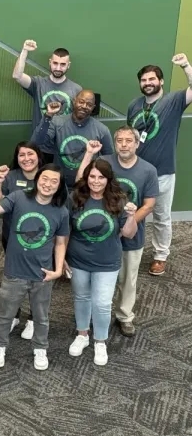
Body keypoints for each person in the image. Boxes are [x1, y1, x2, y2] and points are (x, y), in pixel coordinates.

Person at [0, 165, 69, 370]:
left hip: (43, 274)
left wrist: (57, 270)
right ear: (37, 179)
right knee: (5, 314)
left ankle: (41, 349)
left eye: (54, 181)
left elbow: (60, 243)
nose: (48, 184)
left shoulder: (61, 211)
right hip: (15, 272)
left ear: (59, 186)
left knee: (41, 316)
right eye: (44, 179)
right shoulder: (18, 197)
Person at [77, 129, 157, 336]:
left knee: (127, 279)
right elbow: (82, 182)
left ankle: (124, 316)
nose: (124, 145)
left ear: (137, 144)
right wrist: (88, 154)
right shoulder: (104, 161)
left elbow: (148, 205)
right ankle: (98, 314)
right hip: (100, 237)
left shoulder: (148, 170)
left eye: (129, 141)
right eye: (119, 140)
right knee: (98, 278)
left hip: (130, 234)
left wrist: (123, 227)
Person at [66, 160, 138, 366]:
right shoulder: (75, 197)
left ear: (108, 179)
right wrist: (61, 258)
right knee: (81, 297)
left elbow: (128, 233)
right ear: (86, 178)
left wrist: (132, 217)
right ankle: (82, 334)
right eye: (92, 177)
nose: (96, 181)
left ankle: (100, 341)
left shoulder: (119, 199)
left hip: (107, 261)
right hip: (78, 259)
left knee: (102, 303)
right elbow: (65, 230)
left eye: (101, 177)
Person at [127, 54, 192, 275]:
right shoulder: (134, 105)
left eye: (152, 79)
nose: (148, 83)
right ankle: (130, 250)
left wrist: (185, 66)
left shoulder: (174, 101)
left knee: (161, 216)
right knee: (132, 212)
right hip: (136, 171)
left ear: (161, 81)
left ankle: (160, 255)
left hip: (163, 172)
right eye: (144, 80)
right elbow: (133, 136)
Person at [0, 141, 43, 338]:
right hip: (13, 238)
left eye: (30, 154)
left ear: (38, 155)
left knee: (37, 279)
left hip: (41, 241)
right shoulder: (12, 176)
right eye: (21, 155)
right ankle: (14, 315)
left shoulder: (47, 176)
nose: (26, 159)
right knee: (14, 277)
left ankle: (33, 319)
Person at [31, 90, 113, 188]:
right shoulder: (57, 122)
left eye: (89, 104)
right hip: (59, 185)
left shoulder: (102, 130)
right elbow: (37, 142)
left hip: (88, 186)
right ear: (74, 101)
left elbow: (109, 160)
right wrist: (48, 116)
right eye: (81, 102)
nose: (84, 106)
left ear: (93, 108)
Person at [12, 40, 81, 131]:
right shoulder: (38, 83)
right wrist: (25, 50)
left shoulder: (76, 89)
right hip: (40, 140)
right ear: (50, 62)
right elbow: (17, 76)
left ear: (68, 65)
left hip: (63, 140)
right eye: (55, 63)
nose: (58, 68)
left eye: (63, 64)